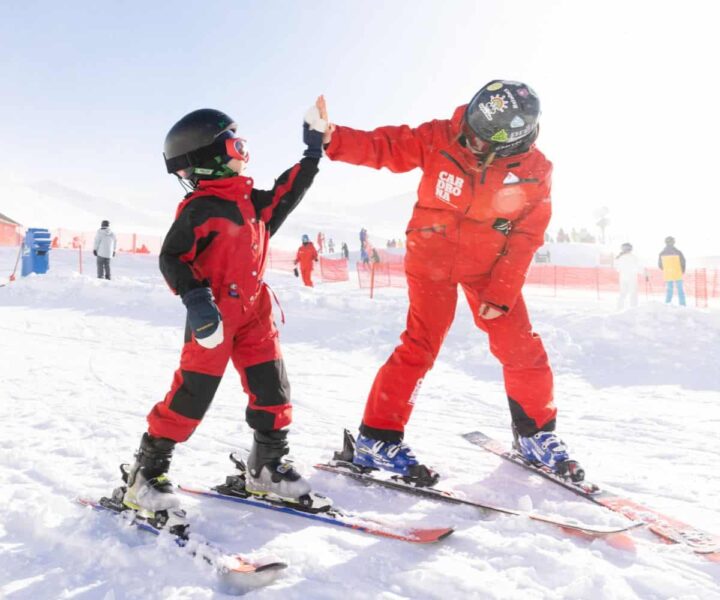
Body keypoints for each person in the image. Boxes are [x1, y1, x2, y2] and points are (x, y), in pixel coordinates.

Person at [322, 80, 583, 484]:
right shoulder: (444, 135)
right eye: (472, 128)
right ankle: (377, 438)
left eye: (482, 139)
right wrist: (332, 137)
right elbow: (387, 146)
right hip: (432, 259)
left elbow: (527, 235)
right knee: (420, 345)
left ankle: (535, 434)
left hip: (489, 266)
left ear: (511, 141)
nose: (470, 139)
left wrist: (501, 293)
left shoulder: (535, 170)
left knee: (521, 347)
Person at [121, 97, 327, 514]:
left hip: (255, 314)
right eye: (235, 144)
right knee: (192, 395)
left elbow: (288, 193)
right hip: (214, 317)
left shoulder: (252, 203)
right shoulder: (200, 210)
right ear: (211, 158)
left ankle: (266, 466)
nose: (243, 151)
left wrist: (312, 151)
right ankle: (146, 474)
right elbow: (172, 257)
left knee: (273, 389)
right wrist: (197, 299)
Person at [658, 236, 686, 306]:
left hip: (668, 273)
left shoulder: (662, 253)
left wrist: (666, 269)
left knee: (669, 290)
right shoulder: (678, 252)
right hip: (677, 273)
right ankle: (682, 305)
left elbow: (660, 265)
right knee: (680, 290)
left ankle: (667, 304)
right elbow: (683, 262)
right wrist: (682, 271)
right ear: (673, 242)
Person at [614, 242, 642, 309]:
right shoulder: (633, 257)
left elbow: (617, 269)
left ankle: (619, 307)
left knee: (623, 293)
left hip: (623, 277)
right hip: (631, 277)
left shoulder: (619, 257)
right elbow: (638, 267)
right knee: (633, 293)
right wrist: (644, 272)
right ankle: (633, 308)